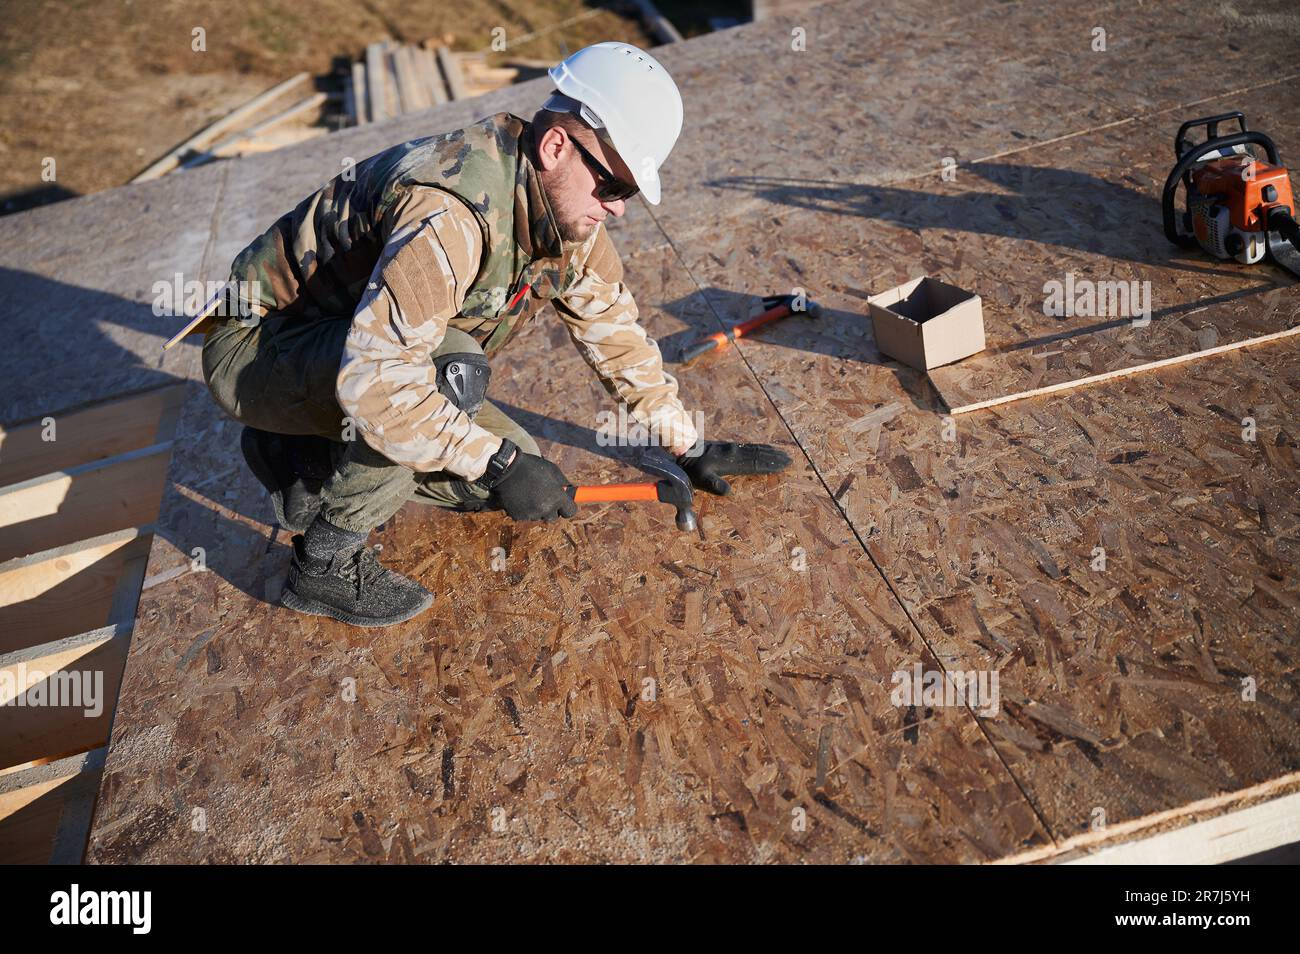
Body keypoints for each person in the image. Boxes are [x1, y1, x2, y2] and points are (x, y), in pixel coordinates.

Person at [197, 42, 792, 627]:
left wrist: (686, 446)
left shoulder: (562, 214)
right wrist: (497, 461)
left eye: (629, 194)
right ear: (558, 145)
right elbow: (382, 383)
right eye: (614, 187)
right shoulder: (451, 211)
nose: (619, 210)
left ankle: (302, 454)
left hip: (353, 351)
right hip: (261, 351)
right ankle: (324, 563)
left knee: (514, 480)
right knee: (452, 384)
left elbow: (615, 331)